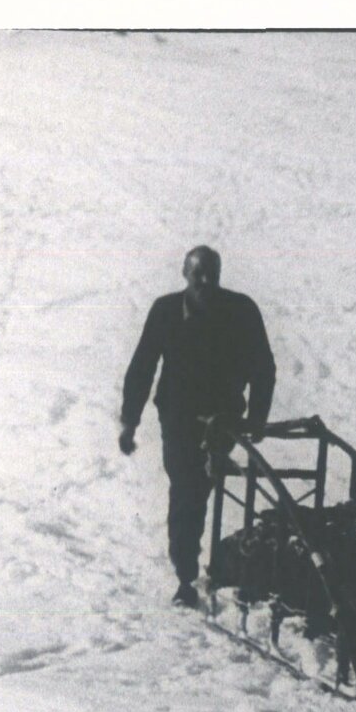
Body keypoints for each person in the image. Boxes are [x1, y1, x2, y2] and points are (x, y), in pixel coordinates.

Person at [120, 246, 277, 606]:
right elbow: (142, 366)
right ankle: (185, 576)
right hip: (178, 418)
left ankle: (209, 567)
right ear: (185, 274)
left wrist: (257, 417)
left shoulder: (241, 311)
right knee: (186, 488)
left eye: (212, 275)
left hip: (223, 419)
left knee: (198, 487)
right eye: (198, 275)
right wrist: (129, 421)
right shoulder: (165, 312)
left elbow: (263, 367)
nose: (205, 282)